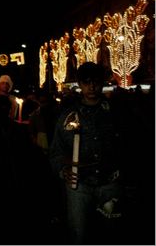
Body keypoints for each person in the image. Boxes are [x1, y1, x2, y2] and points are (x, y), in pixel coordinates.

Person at [49, 62, 127, 244]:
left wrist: (124, 172)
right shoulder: (68, 116)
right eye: (86, 82)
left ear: (102, 82)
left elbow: (130, 146)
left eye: (96, 81)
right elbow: (56, 152)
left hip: (110, 185)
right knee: (79, 236)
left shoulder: (117, 114)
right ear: (79, 84)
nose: (92, 87)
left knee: (112, 236)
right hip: (79, 187)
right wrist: (63, 170)